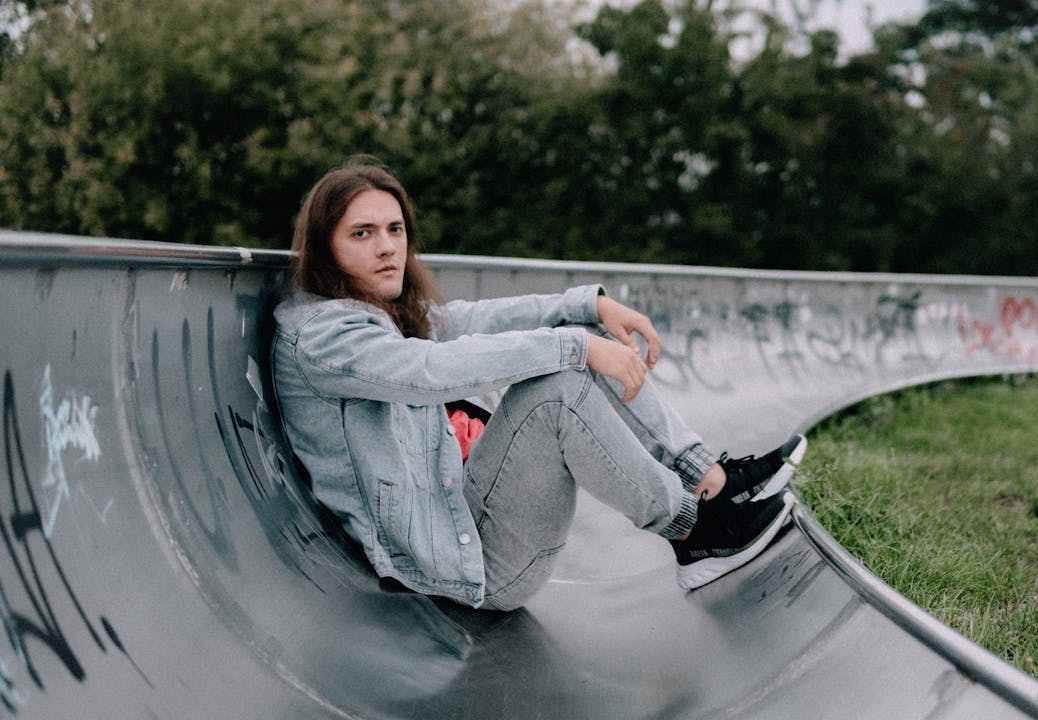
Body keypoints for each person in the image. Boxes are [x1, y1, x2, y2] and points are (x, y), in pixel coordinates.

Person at [271, 156, 807, 611]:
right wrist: (577, 348)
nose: (387, 248)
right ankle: (695, 534)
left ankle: (708, 480)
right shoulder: (325, 336)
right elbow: (427, 371)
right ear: (326, 247)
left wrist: (586, 307)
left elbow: (475, 320)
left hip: (465, 520)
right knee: (558, 387)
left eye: (395, 230)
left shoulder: (382, 311)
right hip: (462, 565)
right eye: (362, 234)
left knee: (574, 334)